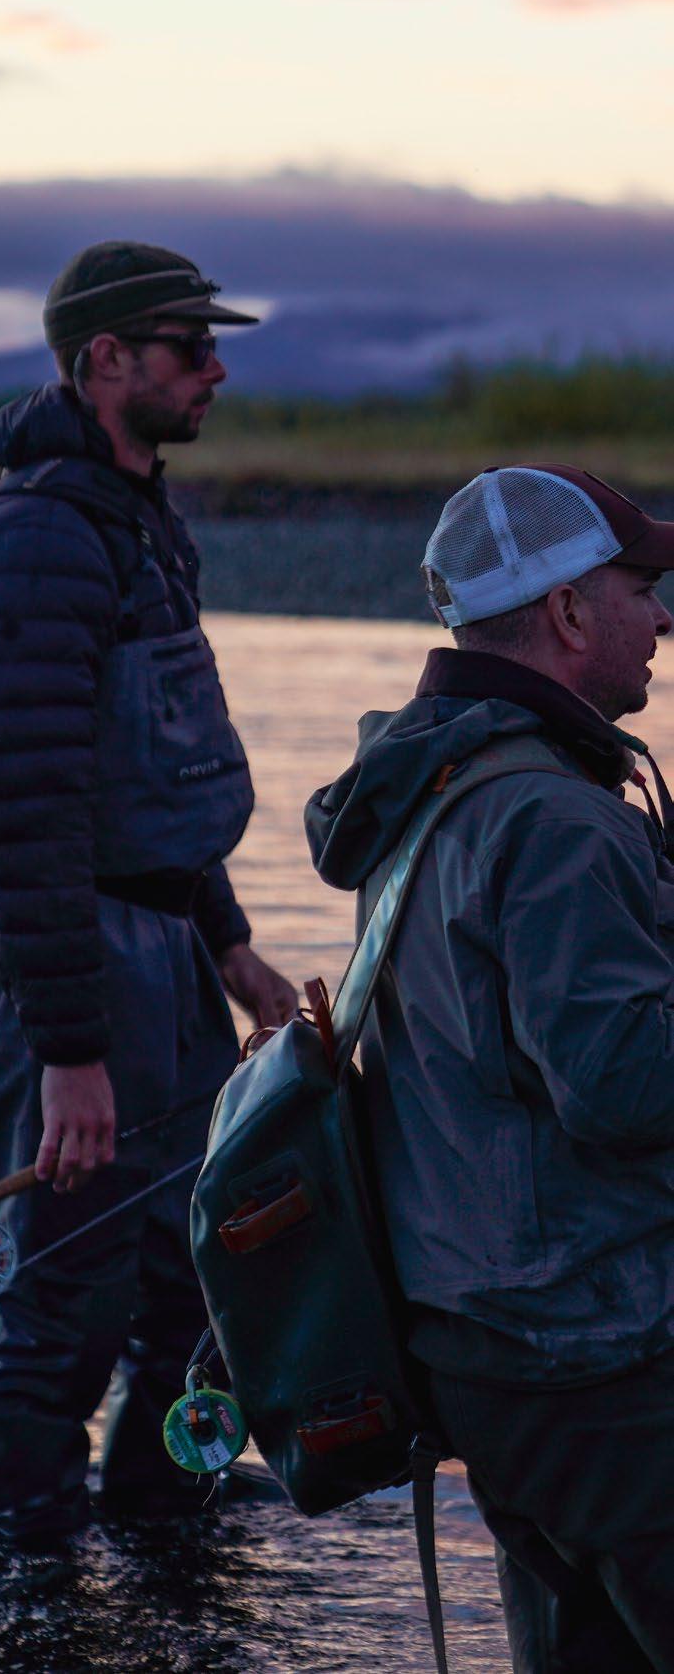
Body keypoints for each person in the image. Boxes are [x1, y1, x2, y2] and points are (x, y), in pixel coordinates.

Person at [0, 240, 297, 1542]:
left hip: (158, 944)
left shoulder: (131, 518)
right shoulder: (28, 545)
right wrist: (70, 1054)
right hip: (64, 965)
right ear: (103, 361)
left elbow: (146, 773)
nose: (215, 368)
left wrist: (226, 942)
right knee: (62, 1300)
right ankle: (16, 1583)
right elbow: (24, 817)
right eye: (190, 347)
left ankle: (162, 1528)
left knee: (197, 1272)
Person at [305, 464, 674, 1672]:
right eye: (642, 586)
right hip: (600, 1356)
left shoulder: (436, 783)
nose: (662, 617)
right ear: (569, 613)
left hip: (486, 1345)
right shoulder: (556, 822)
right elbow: (620, 1084)